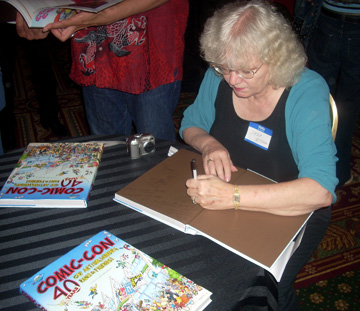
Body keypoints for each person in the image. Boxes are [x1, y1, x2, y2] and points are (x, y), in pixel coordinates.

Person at [179, 1, 338, 310]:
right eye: (226, 68)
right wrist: (210, 144)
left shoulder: (306, 91)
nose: (233, 79)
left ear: (276, 59)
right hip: (229, 199)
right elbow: (190, 124)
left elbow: (320, 192)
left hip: (291, 211)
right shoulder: (220, 74)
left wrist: (233, 197)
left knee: (262, 283)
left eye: (247, 71)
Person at [18, 0, 189, 142]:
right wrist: (32, 8)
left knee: (155, 153)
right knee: (107, 151)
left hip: (150, 49)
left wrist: (104, 15)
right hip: (96, 49)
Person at [293, 0, 360, 187]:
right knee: (348, 104)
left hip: (327, 17)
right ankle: (340, 172)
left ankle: (308, 164)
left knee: (317, 98)